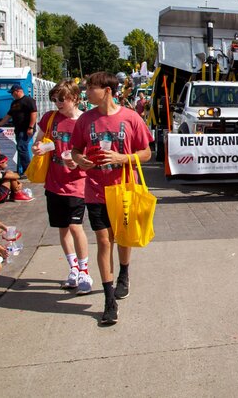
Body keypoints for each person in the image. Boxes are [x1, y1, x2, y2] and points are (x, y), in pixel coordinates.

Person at [70, 72, 153, 326]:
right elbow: (75, 150)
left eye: (91, 88)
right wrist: (79, 159)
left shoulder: (130, 117)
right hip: (95, 189)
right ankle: (109, 301)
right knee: (104, 241)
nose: (86, 92)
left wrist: (122, 158)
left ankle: (124, 274)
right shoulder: (85, 119)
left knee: (123, 237)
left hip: (125, 188)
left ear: (107, 91)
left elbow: (147, 152)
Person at [33, 80, 92, 295]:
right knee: (63, 228)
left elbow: (93, 153)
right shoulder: (49, 118)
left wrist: (78, 161)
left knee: (76, 227)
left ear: (75, 98)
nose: (57, 103)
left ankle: (85, 271)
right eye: (55, 99)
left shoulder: (85, 121)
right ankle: (73, 269)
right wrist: (39, 148)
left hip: (77, 182)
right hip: (54, 181)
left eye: (62, 99)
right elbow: (40, 142)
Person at [0, 84, 37, 177]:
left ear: (18, 91)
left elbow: (34, 113)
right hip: (18, 129)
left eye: (12, 93)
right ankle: (26, 170)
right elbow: (8, 116)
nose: (12, 95)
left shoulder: (28, 100)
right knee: (21, 148)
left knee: (22, 147)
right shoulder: (14, 103)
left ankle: (28, 171)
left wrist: (31, 127)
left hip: (26, 129)